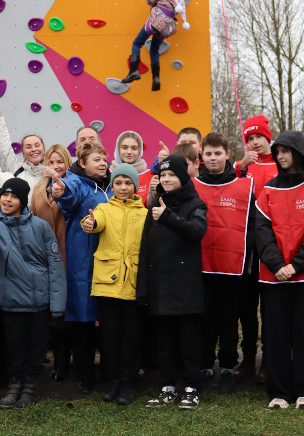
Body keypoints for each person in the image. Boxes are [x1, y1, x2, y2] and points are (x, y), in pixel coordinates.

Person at [254, 131, 304, 409]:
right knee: (276, 335)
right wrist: (277, 265)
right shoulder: (268, 190)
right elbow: (261, 231)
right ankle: (279, 391)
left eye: (285, 151)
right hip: (274, 276)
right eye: (277, 152)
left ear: (298, 153)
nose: (280, 156)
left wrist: (296, 265)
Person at [0, 178, 65, 410]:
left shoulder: (40, 226)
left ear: (23, 201)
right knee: (14, 345)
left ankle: (30, 387)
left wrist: (57, 304)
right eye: (5, 195)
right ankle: (14, 385)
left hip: (39, 300)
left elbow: (55, 265)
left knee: (37, 346)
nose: (8, 200)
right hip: (11, 299)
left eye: (14, 196)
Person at [138, 155, 208, 409]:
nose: (166, 179)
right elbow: (145, 249)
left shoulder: (196, 203)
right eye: (163, 175)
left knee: (189, 341)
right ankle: (167, 387)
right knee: (164, 342)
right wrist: (144, 289)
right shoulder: (155, 204)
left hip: (186, 286)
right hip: (160, 285)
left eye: (171, 175)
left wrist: (167, 216)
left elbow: (197, 231)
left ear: (182, 177)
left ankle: (191, 388)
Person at [193, 132, 255, 394]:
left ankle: (228, 367)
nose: (213, 158)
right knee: (206, 319)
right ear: (201, 156)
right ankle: (206, 367)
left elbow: (253, 225)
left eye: (218, 153)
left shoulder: (244, 186)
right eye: (208, 154)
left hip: (233, 268)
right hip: (201, 267)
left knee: (229, 321)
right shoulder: (192, 185)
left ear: (227, 155)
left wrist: (245, 253)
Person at [81, 164, 148, 405]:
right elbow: (94, 221)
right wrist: (89, 223)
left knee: (132, 335)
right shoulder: (104, 208)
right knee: (109, 336)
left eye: (128, 183)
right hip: (108, 283)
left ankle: (128, 381)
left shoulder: (144, 213)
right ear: (113, 186)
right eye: (118, 183)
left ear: (135, 186)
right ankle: (113, 379)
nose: (123, 187)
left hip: (133, 283)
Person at [54, 142, 113, 393]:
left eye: (104, 159)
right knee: (83, 322)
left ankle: (110, 372)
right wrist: (60, 189)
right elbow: (68, 193)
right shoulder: (77, 183)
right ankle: (84, 376)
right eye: (96, 159)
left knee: (109, 321)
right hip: (83, 265)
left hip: (110, 264)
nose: (102, 163)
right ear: (82, 163)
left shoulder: (112, 186)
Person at [233, 115, 276, 384]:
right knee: (246, 307)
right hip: (246, 247)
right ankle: (248, 358)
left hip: (271, 246)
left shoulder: (279, 164)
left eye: (259, 136)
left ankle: (269, 360)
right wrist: (240, 168)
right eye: (250, 138)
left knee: (270, 308)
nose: (255, 142)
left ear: (268, 137)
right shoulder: (241, 166)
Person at [32, 143, 72, 381]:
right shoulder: (38, 190)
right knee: (52, 314)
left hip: (68, 254)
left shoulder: (73, 186)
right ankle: (56, 359)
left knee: (65, 311)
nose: (55, 166)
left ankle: (65, 361)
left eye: (60, 162)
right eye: (51, 162)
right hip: (45, 257)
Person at [122, 0, 190, 91]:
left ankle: (133, 71)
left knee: (137, 43)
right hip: (167, 26)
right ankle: (156, 79)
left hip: (157, 20)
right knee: (154, 49)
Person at [0, 93, 46, 193]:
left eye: (37, 145)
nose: (34, 149)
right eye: (28, 147)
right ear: (23, 154)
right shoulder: (15, 169)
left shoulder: (54, 171)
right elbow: (2, 146)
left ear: (44, 150)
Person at [111, 130, 154, 205]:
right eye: (124, 148)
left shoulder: (151, 176)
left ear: (140, 151)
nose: (129, 152)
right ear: (118, 150)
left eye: (134, 148)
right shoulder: (107, 173)